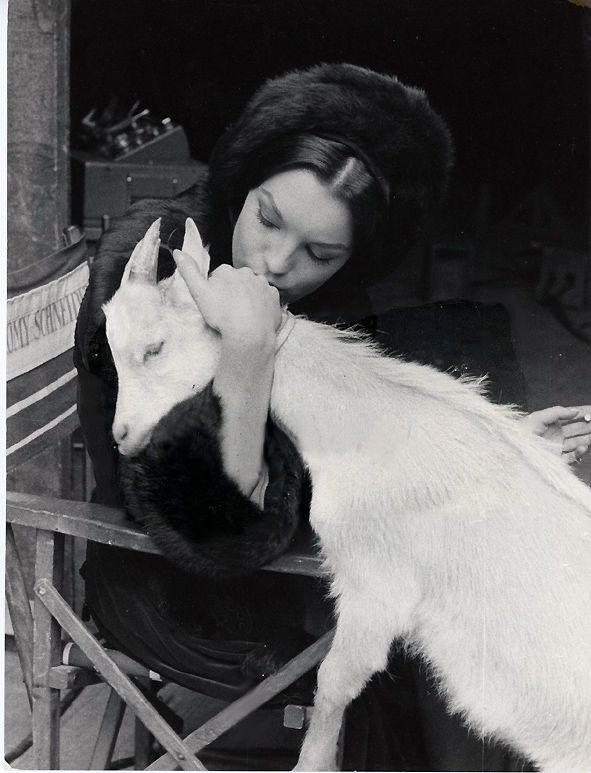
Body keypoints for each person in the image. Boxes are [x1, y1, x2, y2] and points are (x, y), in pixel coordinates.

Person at [74, 63, 591, 770]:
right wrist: (249, 355)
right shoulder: (152, 280)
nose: (277, 262)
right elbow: (220, 534)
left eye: (320, 253)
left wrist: (474, 456)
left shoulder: (316, 299)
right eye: (267, 218)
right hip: (177, 586)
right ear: (244, 179)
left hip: (300, 558)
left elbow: (329, 459)